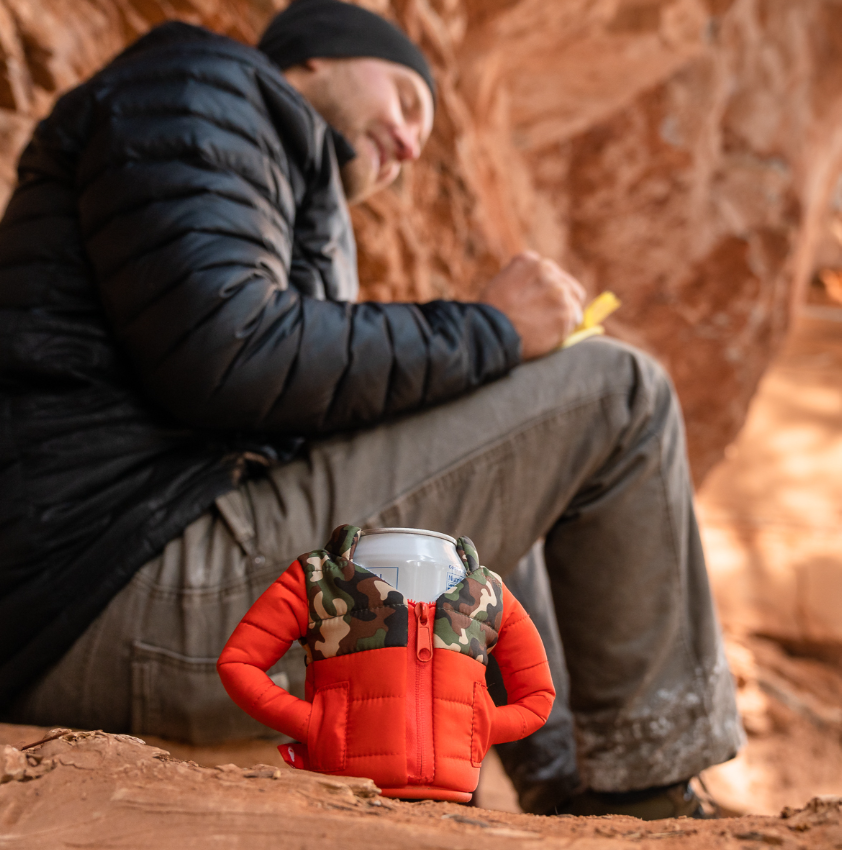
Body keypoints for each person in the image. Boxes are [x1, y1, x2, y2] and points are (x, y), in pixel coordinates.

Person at [0, 0, 743, 819]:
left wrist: (479, 368)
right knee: (618, 390)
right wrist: (490, 328)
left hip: (104, 600)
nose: (414, 140)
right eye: (406, 100)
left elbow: (260, 380)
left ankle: (569, 775)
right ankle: (644, 785)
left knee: (503, 426)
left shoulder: (253, 153)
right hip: (115, 591)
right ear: (317, 57)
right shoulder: (198, 91)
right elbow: (230, 351)